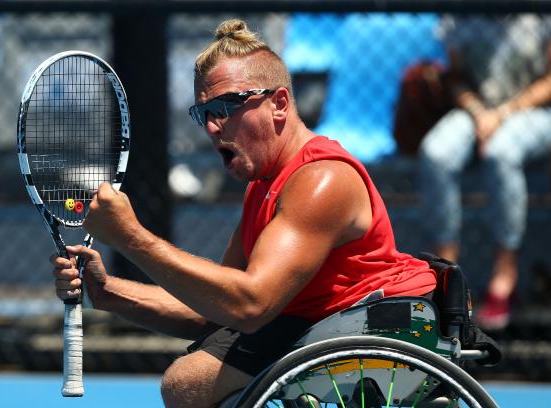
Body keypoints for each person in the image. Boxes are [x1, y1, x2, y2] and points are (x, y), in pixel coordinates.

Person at [51, 19, 437, 407]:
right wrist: (108, 292)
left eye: (226, 107)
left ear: (279, 104)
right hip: (323, 328)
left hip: (385, 333)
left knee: (188, 382)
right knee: (188, 381)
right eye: (203, 114)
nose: (213, 126)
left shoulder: (322, 180)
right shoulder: (264, 184)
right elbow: (216, 310)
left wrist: (130, 237)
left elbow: (248, 305)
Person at [418, 14, 551, 330]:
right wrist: (480, 112)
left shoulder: (540, 13)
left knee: (501, 153)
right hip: (476, 109)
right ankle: (447, 276)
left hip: (534, 111)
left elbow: (548, 81)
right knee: (436, 153)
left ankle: (505, 274)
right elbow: (455, 77)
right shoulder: (459, 15)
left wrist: (503, 113)